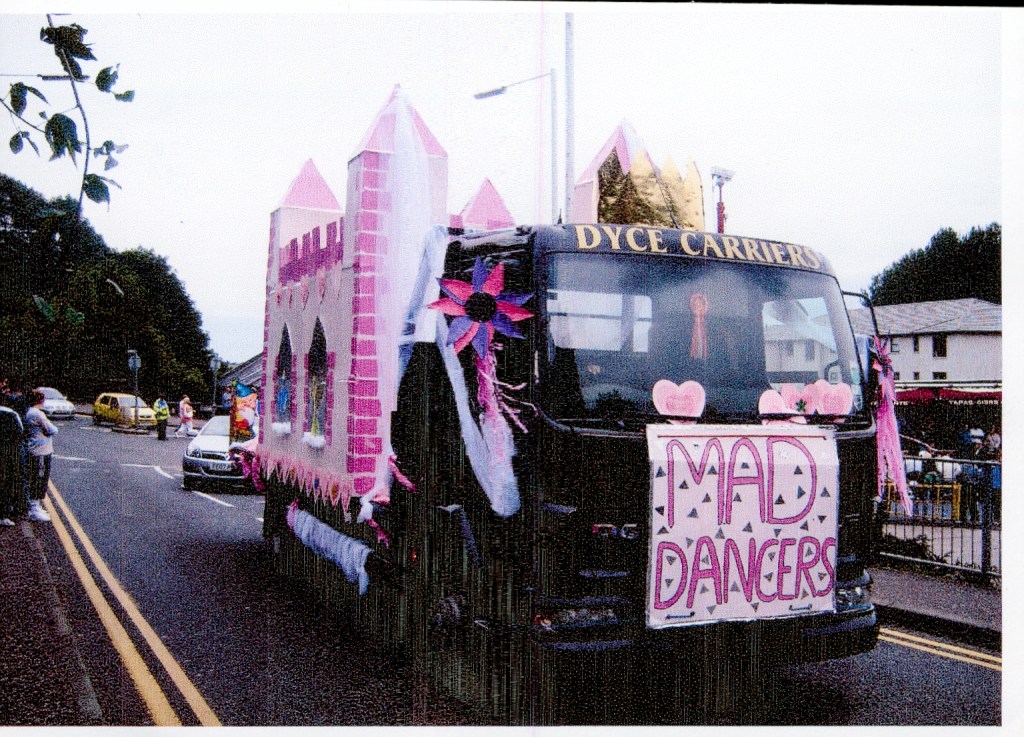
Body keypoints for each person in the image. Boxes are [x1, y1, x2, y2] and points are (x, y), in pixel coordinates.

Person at [23, 388, 56, 523]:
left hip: (38, 449)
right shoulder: (37, 413)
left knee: (38, 478)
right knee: (38, 478)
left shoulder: (30, 412)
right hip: (40, 451)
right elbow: (52, 429)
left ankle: (36, 506)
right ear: (41, 400)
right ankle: (34, 509)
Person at [1, 390, 28, 526]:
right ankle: (3, 514)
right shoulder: (11, 414)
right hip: (8, 453)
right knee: (6, 483)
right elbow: (20, 432)